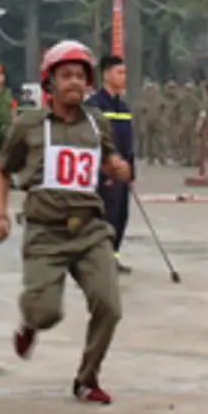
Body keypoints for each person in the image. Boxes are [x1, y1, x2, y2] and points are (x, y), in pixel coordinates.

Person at [0, 40, 132, 406]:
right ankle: (31, 324)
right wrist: (1, 215)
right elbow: (2, 170)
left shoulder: (96, 121)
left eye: (80, 76)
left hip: (89, 230)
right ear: (49, 82)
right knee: (46, 311)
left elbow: (111, 161)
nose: (73, 83)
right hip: (46, 232)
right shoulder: (29, 123)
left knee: (110, 306)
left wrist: (118, 168)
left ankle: (87, 379)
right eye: (65, 75)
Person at [83, 54, 136, 275]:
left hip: (123, 170)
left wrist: (131, 171)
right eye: (119, 72)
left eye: (124, 73)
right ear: (106, 74)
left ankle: (113, 255)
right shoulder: (94, 106)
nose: (123, 77)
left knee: (121, 215)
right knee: (105, 215)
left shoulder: (123, 107)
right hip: (103, 170)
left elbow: (128, 140)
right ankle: (97, 258)